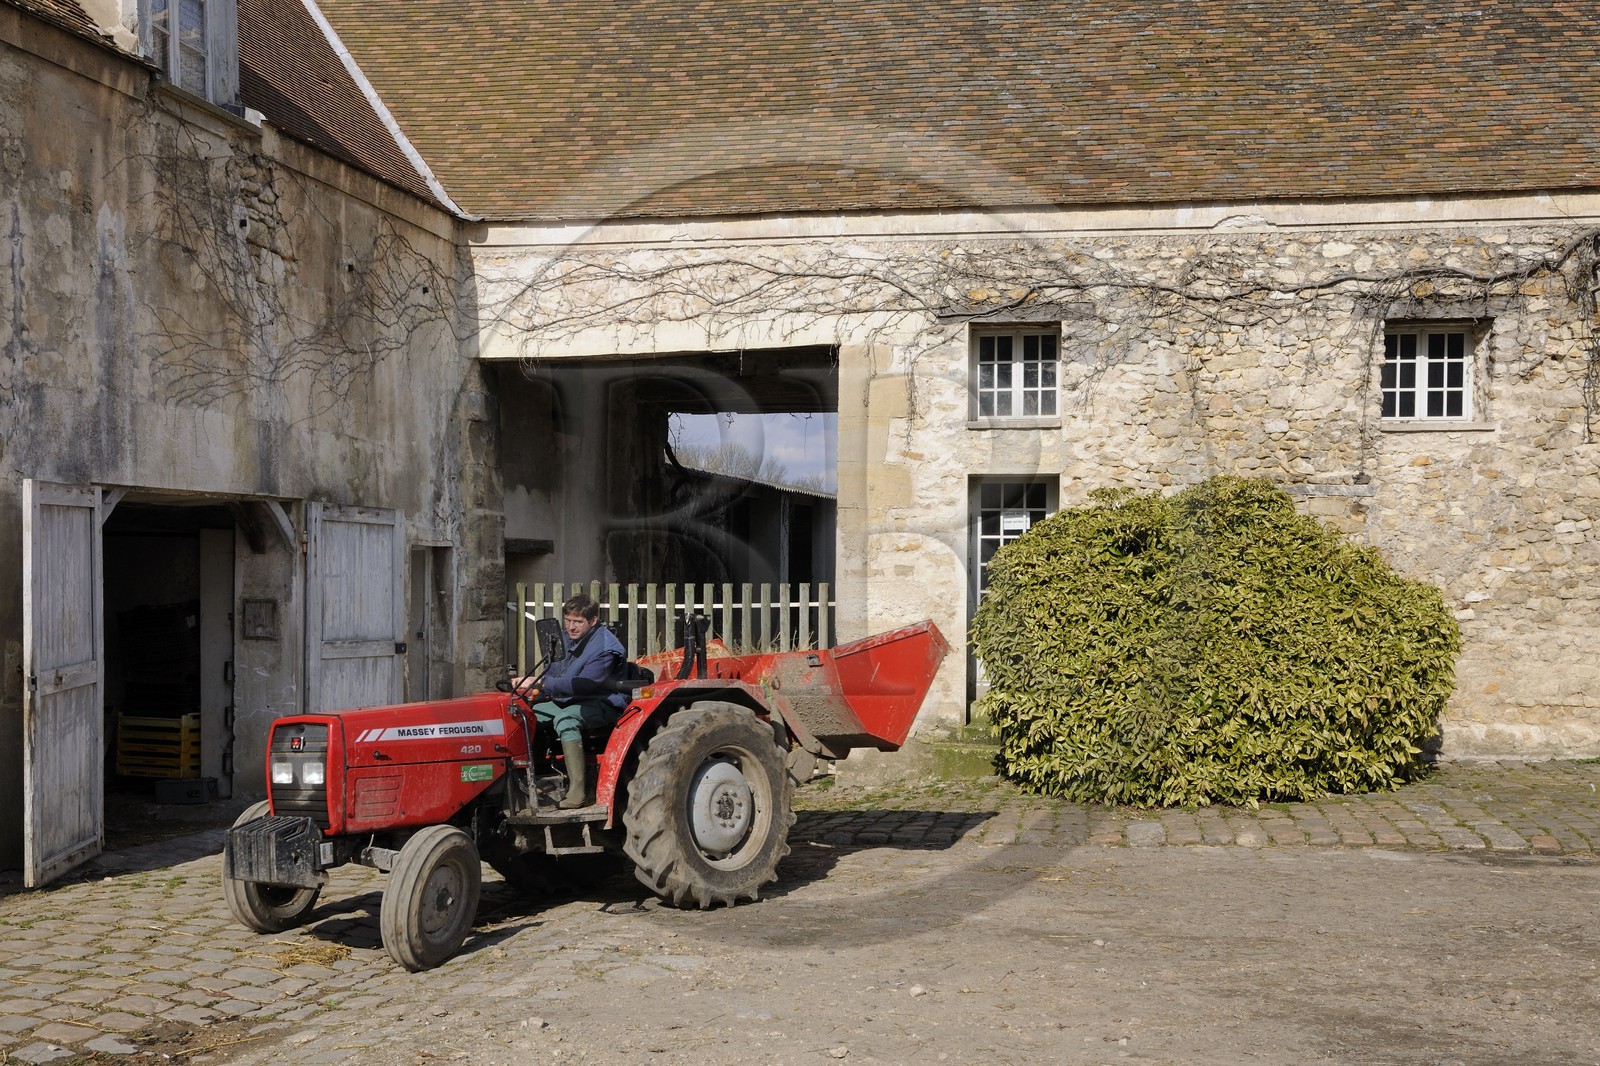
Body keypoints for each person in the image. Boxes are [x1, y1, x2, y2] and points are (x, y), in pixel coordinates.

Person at [524, 593, 627, 808]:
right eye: (568, 620)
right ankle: (529, 780)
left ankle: (578, 793)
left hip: (603, 702)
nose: (571, 627)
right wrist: (532, 694)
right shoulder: (563, 639)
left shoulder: (606, 648)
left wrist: (543, 685)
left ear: (593, 621)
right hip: (570, 699)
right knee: (525, 716)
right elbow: (552, 674)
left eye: (578, 622)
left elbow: (585, 684)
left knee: (566, 720)